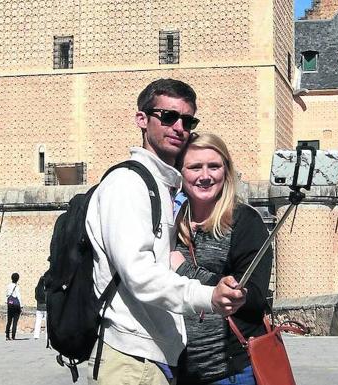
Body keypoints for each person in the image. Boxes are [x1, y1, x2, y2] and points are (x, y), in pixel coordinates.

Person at [85, 79, 247, 385]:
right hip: (131, 357)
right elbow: (139, 274)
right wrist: (207, 295)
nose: (179, 127)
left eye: (187, 120)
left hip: (151, 356)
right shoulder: (128, 184)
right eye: (168, 117)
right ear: (142, 120)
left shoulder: (158, 186)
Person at [170, 133, 273, 384]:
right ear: (180, 173)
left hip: (230, 370)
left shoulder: (244, 222)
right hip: (179, 369)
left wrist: (186, 270)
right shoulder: (171, 222)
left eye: (213, 166)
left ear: (225, 171)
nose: (205, 176)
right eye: (195, 167)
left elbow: (255, 295)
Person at [5, 272, 22, 341]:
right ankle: (13, 336)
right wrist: (21, 305)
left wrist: (7, 302)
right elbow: (18, 296)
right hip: (16, 306)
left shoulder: (8, 286)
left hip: (10, 305)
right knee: (15, 321)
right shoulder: (17, 287)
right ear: (17, 279)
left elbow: (7, 295)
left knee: (9, 321)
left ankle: (7, 336)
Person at [33, 274, 47, 340]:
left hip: (39, 307)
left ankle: (36, 335)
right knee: (48, 323)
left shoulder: (37, 288)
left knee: (38, 321)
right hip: (46, 307)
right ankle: (47, 335)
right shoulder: (47, 289)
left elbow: (36, 297)